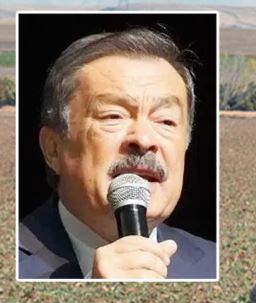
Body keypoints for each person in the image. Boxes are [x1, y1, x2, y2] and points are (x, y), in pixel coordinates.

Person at [18, 27, 216, 280]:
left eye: (166, 121)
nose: (144, 140)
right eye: (113, 116)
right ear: (53, 148)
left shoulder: (212, 263)